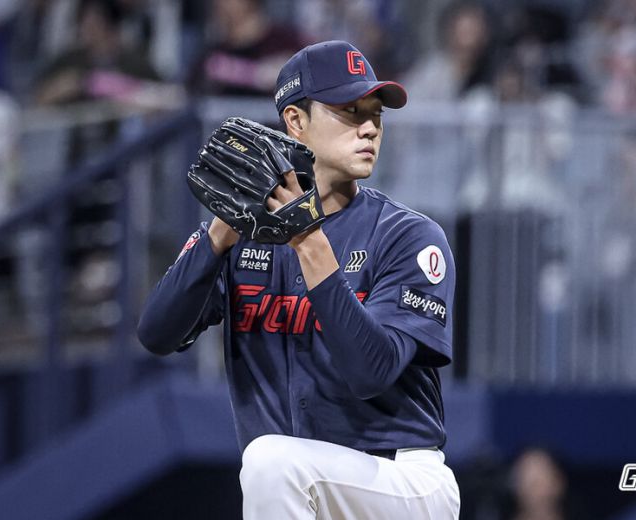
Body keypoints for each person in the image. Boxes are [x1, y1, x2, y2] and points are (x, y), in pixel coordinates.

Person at [137, 40, 461, 519]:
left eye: (376, 114)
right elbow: (156, 333)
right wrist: (219, 233)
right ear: (295, 121)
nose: (370, 127)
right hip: (299, 490)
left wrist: (308, 241)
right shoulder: (244, 238)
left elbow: (371, 372)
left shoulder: (407, 236)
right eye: (350, 111)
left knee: (271, 461)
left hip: (399, 483)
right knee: (273, 463)